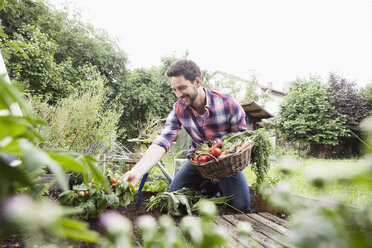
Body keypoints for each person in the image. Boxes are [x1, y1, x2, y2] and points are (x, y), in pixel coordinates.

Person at [123, 59, 251, 212]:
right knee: (172, 200)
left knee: (241, 208)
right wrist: (137, 172)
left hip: (226, 163)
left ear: (197, 82)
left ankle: (215, 184)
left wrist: (224, 154)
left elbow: (241, 139)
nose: (178, 94)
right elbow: (162, 141)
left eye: (182, 88)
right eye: (175, 89)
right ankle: (208, 187)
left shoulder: (228, 103)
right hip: (198, 161)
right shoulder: (179, 109)